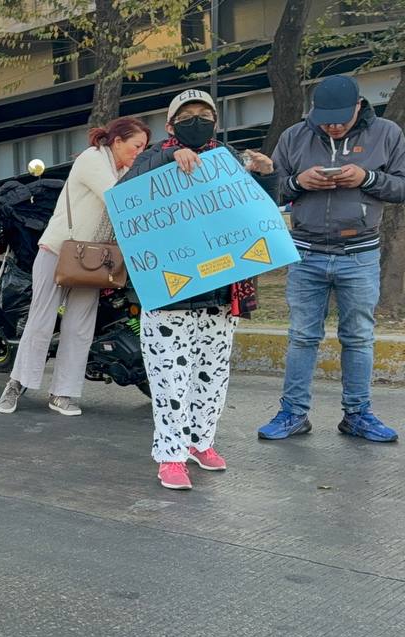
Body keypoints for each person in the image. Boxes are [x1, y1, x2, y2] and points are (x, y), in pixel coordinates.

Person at [118, 90, 276, 490]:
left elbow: (259, 214)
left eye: (204, 114)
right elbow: (124, 197)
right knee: (170, 377)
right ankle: (170, 456)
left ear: (216, 122)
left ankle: (199, 443)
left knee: (211, 373)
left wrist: (267, 174)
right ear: (170, 126)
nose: (197, 120)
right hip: (170, 295)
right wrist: (167, 161)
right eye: (187, 115)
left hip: (221, 294)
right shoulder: (152, 158)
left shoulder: (228, 162)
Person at [258, 75, 405, 443]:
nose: (334, 126)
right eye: (325, 119)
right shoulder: (294, 136)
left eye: (341, 118)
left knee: (358, 337)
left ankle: (357, 414)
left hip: (360, 253)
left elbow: (402, 186)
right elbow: (268, 191)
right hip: (305, 252)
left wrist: (367, 177)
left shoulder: (387, 133)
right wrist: (298, 184)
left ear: (359, 106)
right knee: (301, 336)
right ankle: (293, 413)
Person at [0, 117, 151, 416]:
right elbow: (118, 197)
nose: (140, 152)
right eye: (137, 146)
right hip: (59, 251)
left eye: (144, 148)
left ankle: (62, 394)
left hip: (93, 260)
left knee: (79, 327)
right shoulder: (94, 159)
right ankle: (16, 384)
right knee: (41, 322)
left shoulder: (121, 169)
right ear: (117, 141)